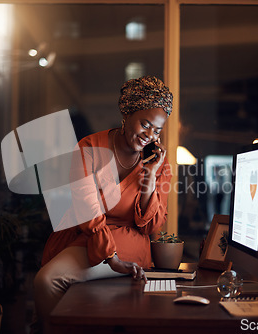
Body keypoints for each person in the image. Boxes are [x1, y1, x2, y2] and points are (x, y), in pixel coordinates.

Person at [32, 75, 173, 332]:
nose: (150, 136)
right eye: (145, 124)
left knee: (47, 280)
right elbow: (87, 206)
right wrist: (110, 257)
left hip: (129, 240)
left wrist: (150, 176)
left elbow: (150, 226)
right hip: (90, 233)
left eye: (157, 130)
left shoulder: (158, 164)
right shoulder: (88, 147)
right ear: (127, 112)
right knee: (46, 281)